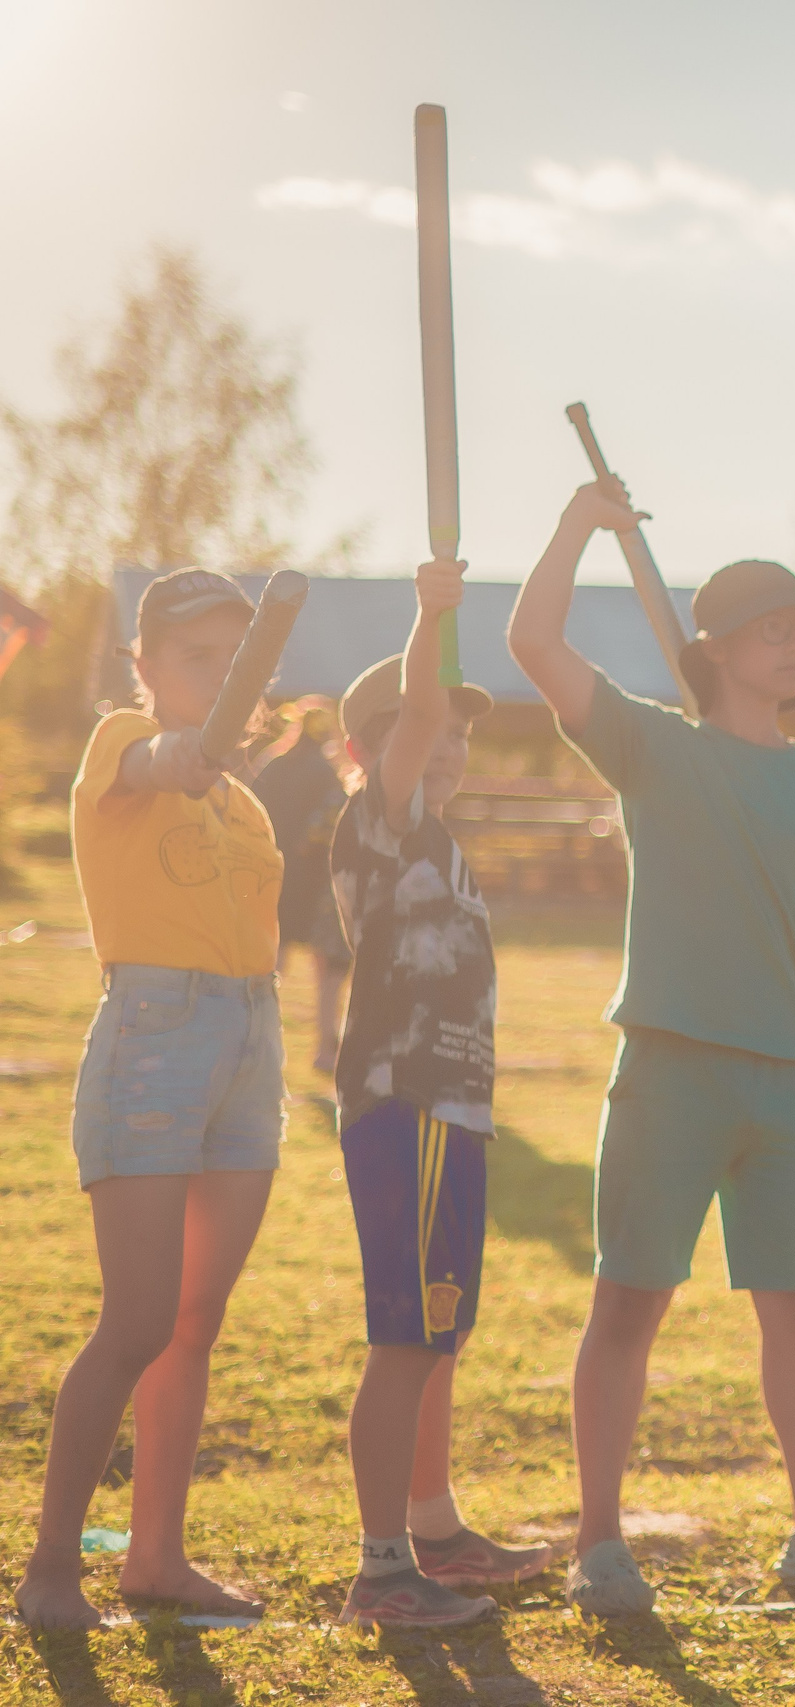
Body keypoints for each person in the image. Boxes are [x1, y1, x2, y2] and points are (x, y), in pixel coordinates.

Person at [507, 481, 795, 1614]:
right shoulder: (650, 746)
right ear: (720, 649)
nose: (793, 648)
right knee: (627, 1304)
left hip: (790, 1082)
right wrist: (577, 526)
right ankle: (600, 1544)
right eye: (771, 630)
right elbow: (533, 642)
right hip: (669, 1067)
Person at [16, 570, 285, 1630]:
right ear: (145, 665)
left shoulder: (247, 803)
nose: (218, 677)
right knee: (134, 1320)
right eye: (194, 657)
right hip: (155, 1039)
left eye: (236, 658)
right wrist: (183, 747)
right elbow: (163, 759)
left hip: (250, 1040)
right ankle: (51, 1568)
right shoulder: (123, 742)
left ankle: (157, 1559)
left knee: (192, 1323)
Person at [329, 559, 551, 1627]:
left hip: (455, 1108)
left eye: (465, 733)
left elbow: (422, 715)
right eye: (432, 732)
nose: (450, 742)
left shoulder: (441, 841)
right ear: (371, 750)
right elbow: (415, 713)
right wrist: (431, 616)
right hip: (403, 1098)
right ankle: (382, 1572)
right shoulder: (379, 820)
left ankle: (434, 1528)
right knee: (406, 1333)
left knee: (439, 1328)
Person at [248, 699, 353, 1074]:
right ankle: (325, 1051)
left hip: (270, 876)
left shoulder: (272, 764)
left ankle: (257, 1042)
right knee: (329, 969)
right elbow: (327, 827)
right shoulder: (328, 773)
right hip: (316, 882)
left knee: (271, 962)